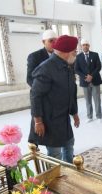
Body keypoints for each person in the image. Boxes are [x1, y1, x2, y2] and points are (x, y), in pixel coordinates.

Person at [29, 35, 79, 163]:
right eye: (75, 51)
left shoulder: (66, 65)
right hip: (49, 120)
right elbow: (35, 96)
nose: (76, 53)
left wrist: (74, 113)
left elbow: (70, 91)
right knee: (55, 154)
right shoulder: (46, 68)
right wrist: (38, 121)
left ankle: (70, 172)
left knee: (69, 145)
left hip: (63, 117)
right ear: (67, 52)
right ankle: (56, 180)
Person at [75, 39, 102, 123]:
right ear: (81, 46)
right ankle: (90, 116)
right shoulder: (78, 57)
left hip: (95, 80)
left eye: (87, 45)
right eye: (83, 45)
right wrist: (85, 77)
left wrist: (91, 76)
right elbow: (76, 69)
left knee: (97, 99)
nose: (85, 46)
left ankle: (99, 116)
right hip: (84, 81)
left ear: (89, 46)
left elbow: (98, 66)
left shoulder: (95, 55)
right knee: (88, 100)